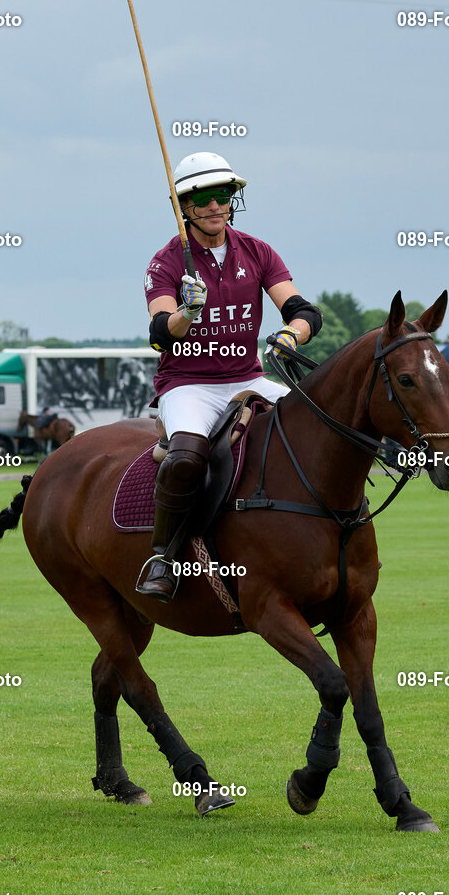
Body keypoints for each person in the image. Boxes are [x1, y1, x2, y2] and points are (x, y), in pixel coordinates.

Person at [137, 152, 323, 602]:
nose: (216, 205)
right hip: (189, 384)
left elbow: (303, 311)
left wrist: (290, 336)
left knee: (318, 428)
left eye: (223, 195)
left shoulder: (257, 251)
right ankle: (163, 556)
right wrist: (188, 312)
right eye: (203, 198)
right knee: (185, 459)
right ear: (184, 205)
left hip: (248, 377)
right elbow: (161, 333)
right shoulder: (165, 263)